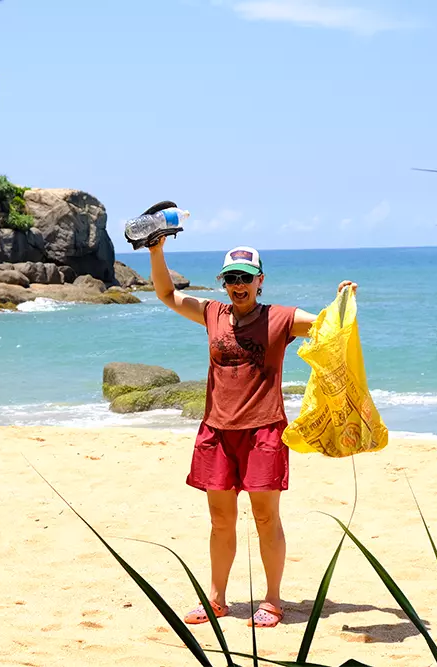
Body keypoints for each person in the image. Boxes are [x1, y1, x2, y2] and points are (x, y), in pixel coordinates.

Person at [147, 230, 356, 629]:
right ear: (223, 282)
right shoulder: (211, 313)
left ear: (261, 279)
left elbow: (330, 328)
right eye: (231, 278)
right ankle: (216, 599)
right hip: (217, 432)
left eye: (246, 277)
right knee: (221, 521)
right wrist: (157, 252)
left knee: (265, 519)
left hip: (264, 432)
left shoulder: (281, 318)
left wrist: (343, 299)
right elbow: (168, 295)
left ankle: (273, 601)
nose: (238, 286)